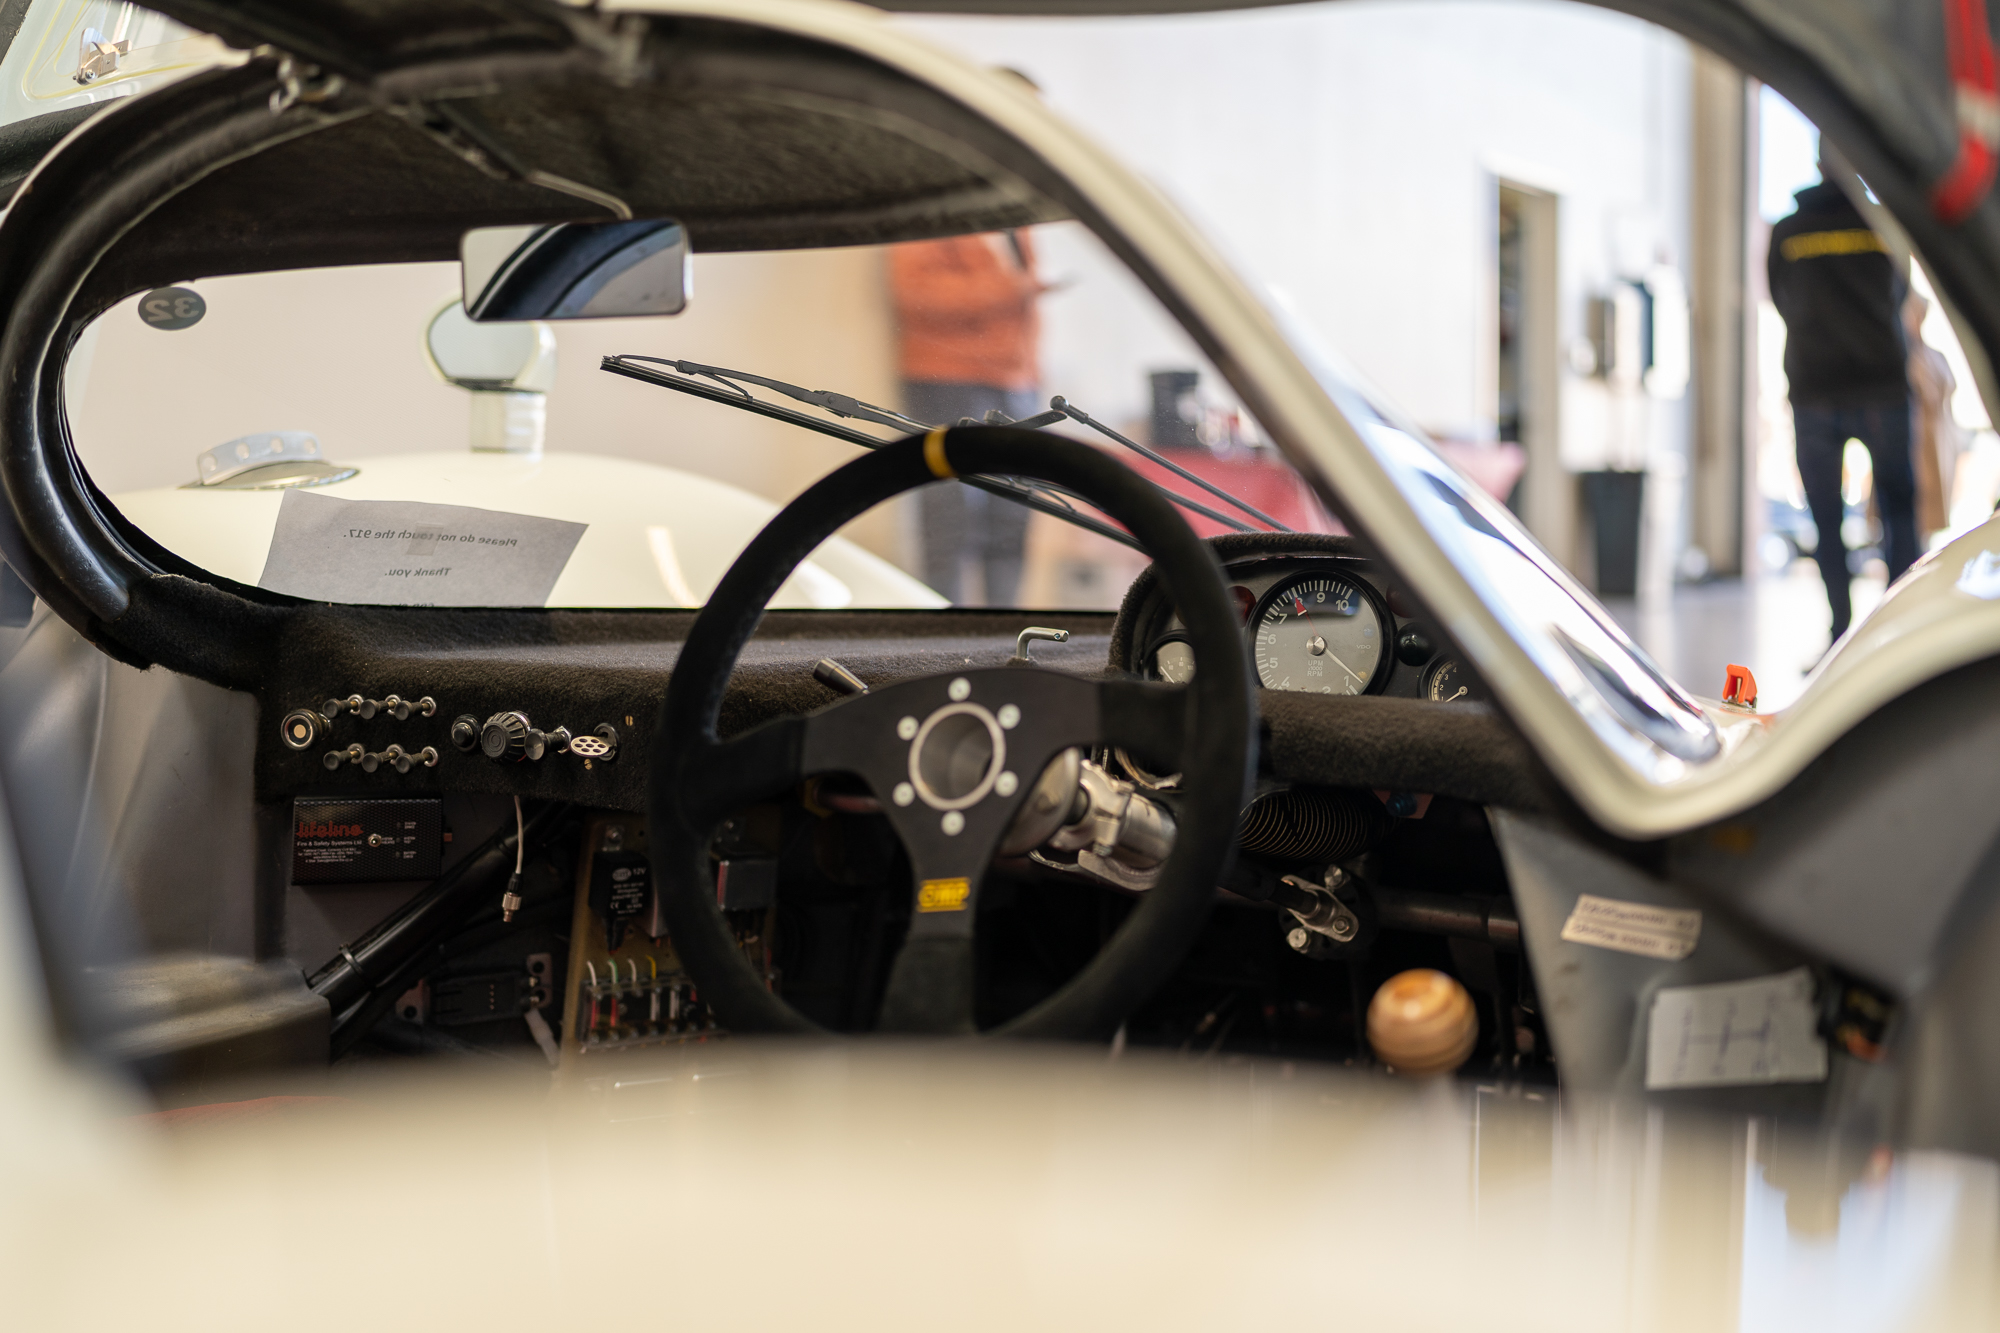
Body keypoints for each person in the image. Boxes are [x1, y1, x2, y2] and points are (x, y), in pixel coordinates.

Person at [1768, 173, 1918, 644]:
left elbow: (1780, 297)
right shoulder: (1883, 225)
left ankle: (1839, 636)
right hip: (1881, 384)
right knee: (1898, 512)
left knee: (1826, 521)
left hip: (1815, 386)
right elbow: (1902, 291)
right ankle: (1901, 632)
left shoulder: (1788, 232)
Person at [888, 228, 1045, 605]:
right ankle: (944, 633)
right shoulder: (930, 215)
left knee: (1014, 514)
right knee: (951, 518)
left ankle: (1007, 630)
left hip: (1018, 378)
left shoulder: (1013, 218)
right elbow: (916, 295)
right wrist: (1011, 288)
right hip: (948, 377)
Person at [1903, 291, 1963, 540]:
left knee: (1930, 520)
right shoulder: (1905, 358)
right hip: (1916, 444)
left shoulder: (1935, 355)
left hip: (1941, 442)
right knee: (1912, 514)